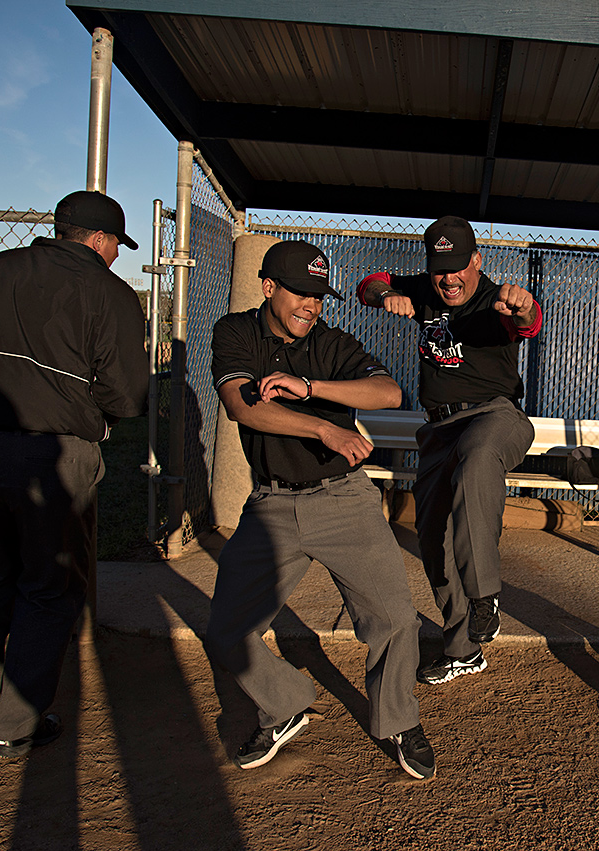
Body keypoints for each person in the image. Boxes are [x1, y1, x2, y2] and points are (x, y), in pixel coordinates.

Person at [0, 190, 148, 757]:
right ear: (100, 240)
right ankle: (17, 725)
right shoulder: (109, 291)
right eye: (117, 245)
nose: (116, 254)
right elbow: (125, 395)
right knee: (48, 584)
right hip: (51, 453)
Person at [206, 239, 435, 778]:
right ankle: (285, 704)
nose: (311, 305)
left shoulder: (331, 342)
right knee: (228, 630)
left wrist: (309, 387)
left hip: (344, 500)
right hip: (272, 506)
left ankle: (398, 719)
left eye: (318, 295)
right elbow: (243, 406)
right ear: (268, 287)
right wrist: (325, 426)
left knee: (395, 619)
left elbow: (388, 393)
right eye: (300, 294)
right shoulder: (236, 332)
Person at [356, 217, 541, 685]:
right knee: (432, 536)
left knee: (478, 459)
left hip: (494, 416)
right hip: (438, 429)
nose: (449, 279)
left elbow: (527, 321)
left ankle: (484, 597)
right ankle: (463, 649)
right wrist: (384, 295)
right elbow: (368, 284)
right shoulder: (423, 289)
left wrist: (522, 307)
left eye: (459, 267)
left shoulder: (494, 298)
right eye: (440, 270)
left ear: (476, 261)